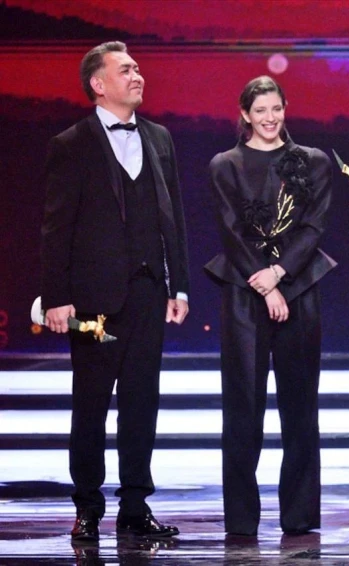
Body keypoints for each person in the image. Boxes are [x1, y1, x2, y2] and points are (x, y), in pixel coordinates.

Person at [40, 41, 189, 541]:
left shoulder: (160, 138)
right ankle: (87, 507)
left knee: (142, 404)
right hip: (93, 301)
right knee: (91, 406)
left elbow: (174, 216)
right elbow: (56, 227)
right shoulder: (71, 143)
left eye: (137, 67)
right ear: (98, 84)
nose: (137, 75)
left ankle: (135, 507)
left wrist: (180, 285)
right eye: (125, 69)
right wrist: (56, 296)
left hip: (148, 292)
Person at [204, 76, 336, 537]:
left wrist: (279, 274)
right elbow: (231, 231)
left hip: (299, 288)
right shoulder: (225, 164)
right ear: (245, 114)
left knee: (300, 407)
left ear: (285, 108)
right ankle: (241, 520)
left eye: (276, 108)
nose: (269, 118)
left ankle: (299, 516)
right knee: (243, 407)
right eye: (260, 110)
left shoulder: (313, 162)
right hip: (244, 291)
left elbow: (314, 226)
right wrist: (265, 284)